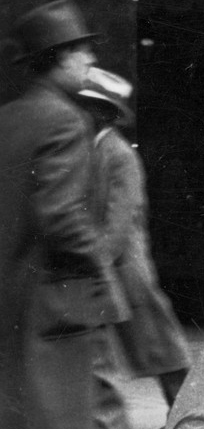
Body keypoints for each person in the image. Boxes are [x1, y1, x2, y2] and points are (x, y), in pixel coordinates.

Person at [0, 0, 143, 429]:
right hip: (62, 293)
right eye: (82, 52)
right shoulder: (65, 120)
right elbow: (60, 216)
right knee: (101, 404)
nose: (89, 62)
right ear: (58, 58)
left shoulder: (9, 116)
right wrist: (98, 267)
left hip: (14, 287)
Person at [76, 68, 191, 408]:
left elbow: (120, 220)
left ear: (105, 113)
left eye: (92, 106)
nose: (84, 112)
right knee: (129, 343)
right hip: (108, 262)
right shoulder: (90, 150)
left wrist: (96, 259)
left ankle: (185, 410)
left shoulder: (120, 154)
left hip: (126, 265)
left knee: (159, 344)